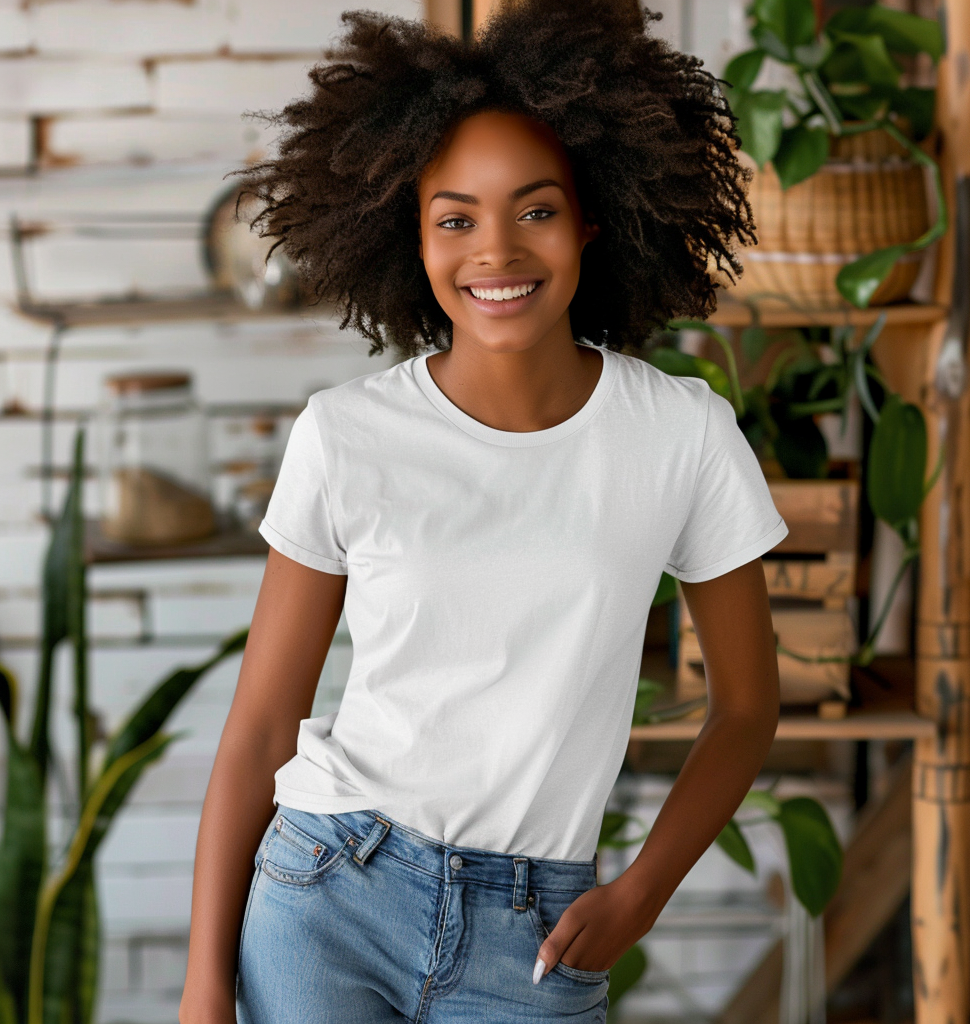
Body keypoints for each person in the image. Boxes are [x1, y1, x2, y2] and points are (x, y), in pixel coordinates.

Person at [179, 1, 786, 1022]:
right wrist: (204, 988)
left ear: (592, 216)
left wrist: (638, 894)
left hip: (536, 931)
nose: (495, 251)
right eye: (454, 217)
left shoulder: (680, 435)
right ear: (409, 236)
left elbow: (747, 707)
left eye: (535, 210)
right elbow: (259, 726)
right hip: (329, 893)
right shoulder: (345, 435)